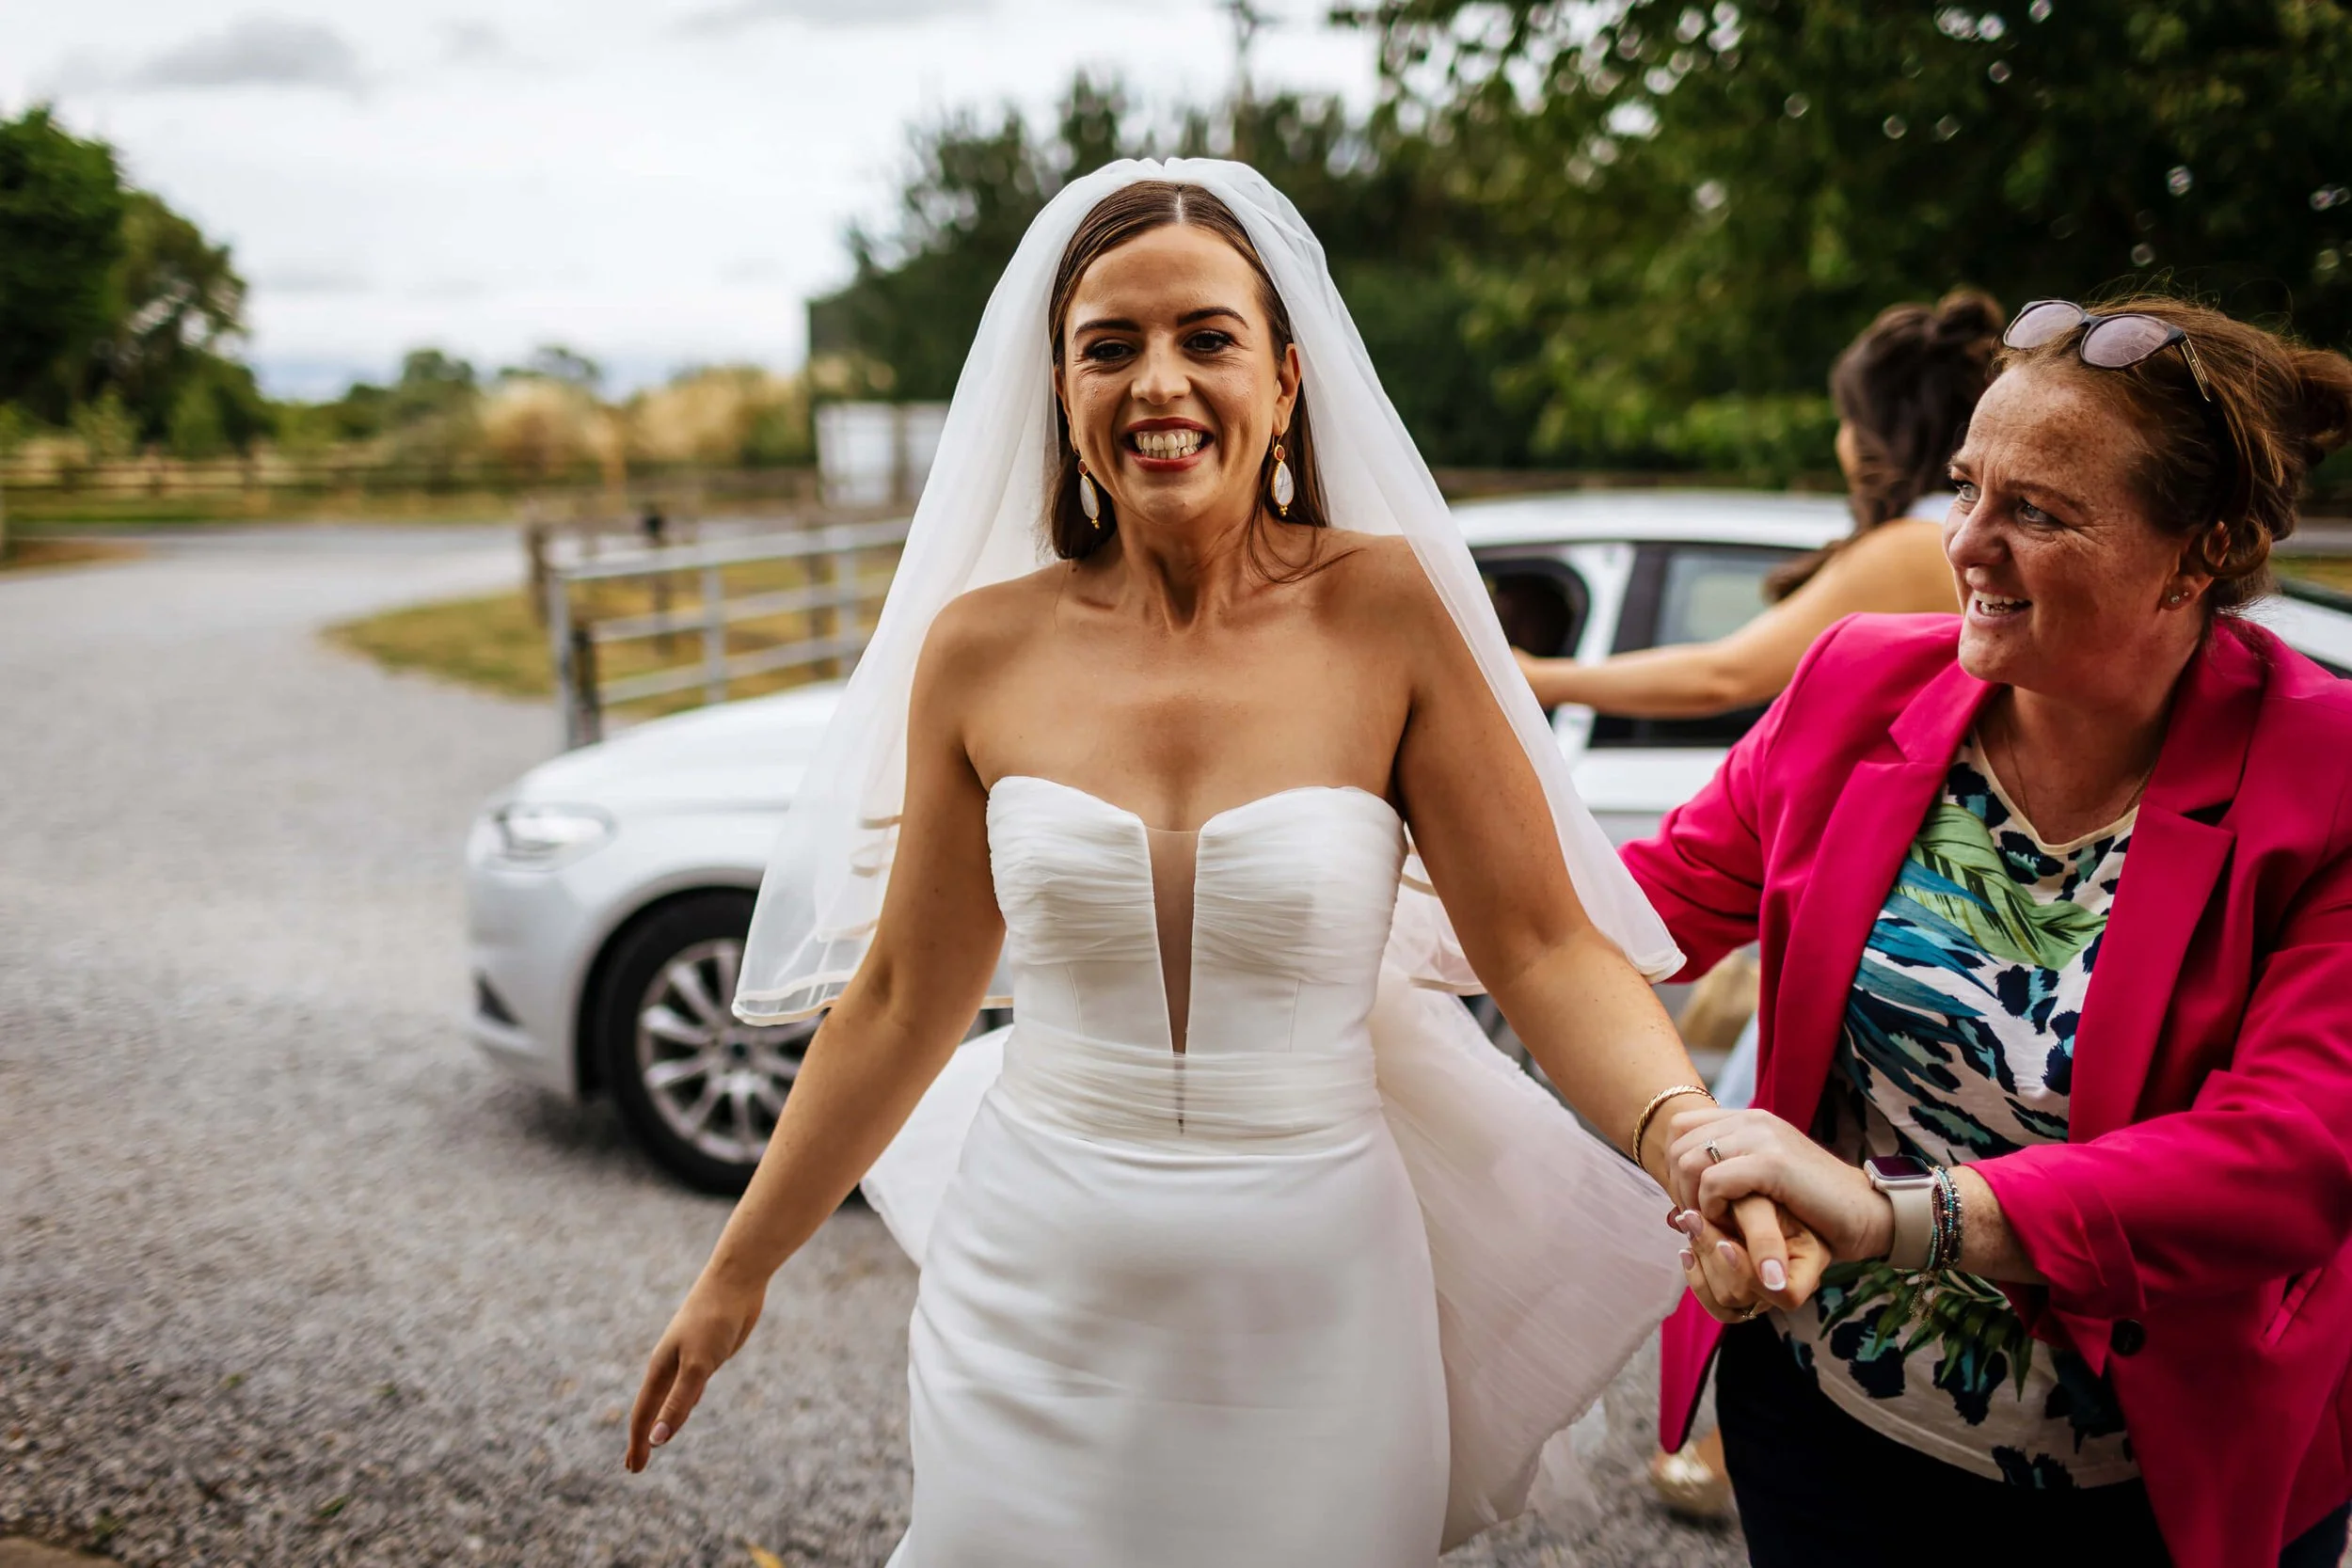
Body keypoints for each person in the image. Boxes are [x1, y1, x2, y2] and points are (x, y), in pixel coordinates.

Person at [617, 161, 1821, 1565]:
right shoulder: (981, 648)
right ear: (1059, 391)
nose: (1158, 384)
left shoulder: (1389, 614)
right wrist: (740, 1265)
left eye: (1207, 337)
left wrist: (1686, 1132)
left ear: (1289, 379)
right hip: (1034, 1290)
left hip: (1318, 1296)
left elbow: (1545, 946)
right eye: (1108, 347)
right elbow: (899, 999)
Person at [1634, 295, 2352, 1566]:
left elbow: (2288, 1153)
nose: (1965, 541)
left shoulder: (2324, 773)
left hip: (2139, 1485)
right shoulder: (1861, 677)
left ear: (2202, 553)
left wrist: (1892, 1213)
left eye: (2038, 510)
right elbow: (1645, 902)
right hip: (1822, 1426)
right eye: (1968, 486)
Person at [1514, 289, 1999, 719]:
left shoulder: (1915, 546)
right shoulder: (1961, 528)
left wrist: (1539, 679)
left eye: (1846, 418)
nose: (1842, 440)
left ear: (1876, 431)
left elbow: (1721, 677)